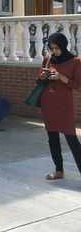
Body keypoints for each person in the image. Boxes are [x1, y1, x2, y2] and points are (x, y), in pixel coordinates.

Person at [36, 32, 81, 181]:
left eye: (57, 48)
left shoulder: (75, 61)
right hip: (48, 103)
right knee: (52, 138)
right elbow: (38, 81)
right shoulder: (47, 60)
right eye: (51, 48)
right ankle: (59, 170)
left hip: (64, 104)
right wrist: (42, 76)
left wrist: (61, 77)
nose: (54, 51)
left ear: (63, 45)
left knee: (71, 138)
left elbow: (76, 85)